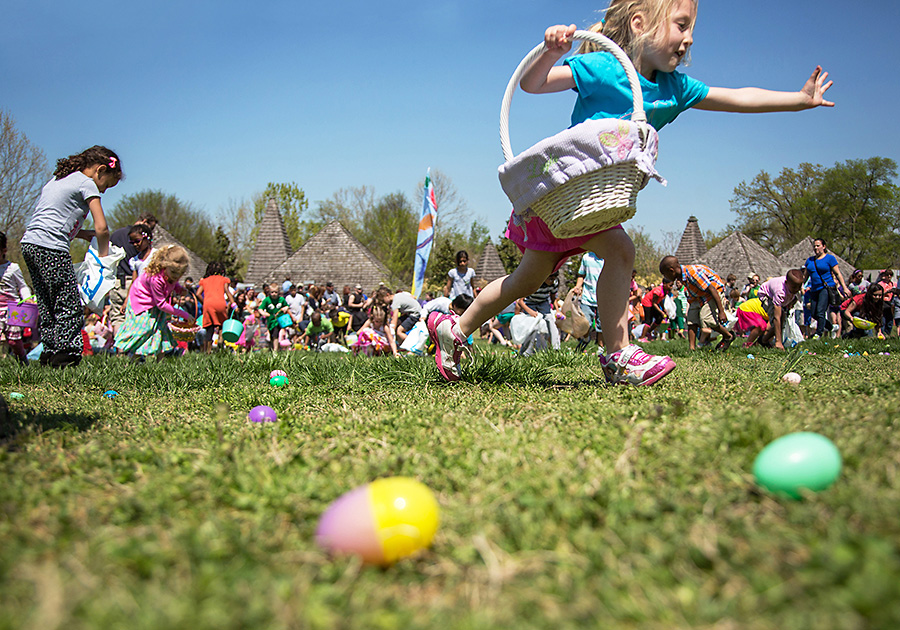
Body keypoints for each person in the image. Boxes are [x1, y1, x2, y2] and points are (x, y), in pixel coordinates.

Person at [428, 1, 833, 383]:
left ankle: (454, 328)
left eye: (692, 27)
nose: (689, 38)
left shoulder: (675, 89)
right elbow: (533, 83)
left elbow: (736, 97)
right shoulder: (604, 68)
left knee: (525, 280)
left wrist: (799, 99)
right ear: (640, 25)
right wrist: (551, 51)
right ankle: (619, 353)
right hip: (568, 196)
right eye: (681, 24)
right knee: (617, 253)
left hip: (596, 204)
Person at [20, 145, 122, 368]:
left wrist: (84, 235)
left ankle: (49, 352)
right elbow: (102, 228)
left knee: (47, 302)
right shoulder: (86, 183)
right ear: (100, 170)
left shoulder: (59, 179)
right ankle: (65, 357)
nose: (103, 191)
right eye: (106, 185)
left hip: (30, 244)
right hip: (52, 247)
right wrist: (103, 260)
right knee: (69, 303)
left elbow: (55, 218)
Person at [114, 245, 195, 359]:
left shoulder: (170, 275)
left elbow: (171, 283)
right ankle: (129, 356)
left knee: (160, 329)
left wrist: (178, 288)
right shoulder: (155, 279)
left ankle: (159, 362)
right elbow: (161, 304)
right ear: (164, 265)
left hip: (154, 303)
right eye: (174, 272)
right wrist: (183, 314)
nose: (176, 276)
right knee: (144, 329)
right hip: (141, 301)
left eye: (180, 274)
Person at [659, 256, 733, 351]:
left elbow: (712, 289)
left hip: (712, 294)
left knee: (706, 319)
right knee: (691, 320)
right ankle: (692, 349)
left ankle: (728, 336)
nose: (665, 278)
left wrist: (721, 311)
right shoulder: (681, 276)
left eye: (665, 275)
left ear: (671, 270)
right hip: (698, 297)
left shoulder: (692, 273)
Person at [109, 213, 156, 335]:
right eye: (150, 228)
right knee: (135, 318)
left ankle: (120, 350)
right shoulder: (142, 246)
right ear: (144, 221)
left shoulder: (116, 235)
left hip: (117, 281)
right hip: (135, 283)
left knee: (118, 317)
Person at [803, 238, 848, 338]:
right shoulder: (810, 260)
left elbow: (837, 274)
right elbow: (805, 276)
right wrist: (802, 286)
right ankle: (831, 327)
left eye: (818, 245)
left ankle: (818, 334)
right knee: (814, 313)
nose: (815, 248)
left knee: (820, 311)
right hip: (814, 289)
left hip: (826, 288)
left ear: (824, 246)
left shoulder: (829, 259)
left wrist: (844, 287)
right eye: (814, 246)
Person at [0, 231, 33, 363]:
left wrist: (27, 299)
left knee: (14, 341)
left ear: (4, 250)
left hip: (13, 309)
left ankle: (22, 358)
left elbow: (23, 286)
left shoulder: (12, 268)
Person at [756, 270, 803, 349]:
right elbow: (776, 317)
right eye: (794, 287)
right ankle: (775, 342)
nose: (796, 289)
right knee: (778, 322)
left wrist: (791, 304)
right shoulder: (780, 291)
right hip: (767, 296)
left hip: (784, 298)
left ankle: (763, 340)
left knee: (783, 322)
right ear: (787, 282)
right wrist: (778, 342)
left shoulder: (795, 285)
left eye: (799, 287)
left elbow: (796, 296)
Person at [196, 261, 236, 353]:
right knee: (222, 325)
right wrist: (233, 303)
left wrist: (204, 302)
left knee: (209, 328)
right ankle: (220, 345)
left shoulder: (204, 281)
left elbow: (198, 294)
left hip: (208, 304)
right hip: (220, 303)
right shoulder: (224, 280)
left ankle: (208, 351)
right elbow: (227, 291)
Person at [573, 252, 605, 352]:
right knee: (585, 323)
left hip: (604, 298)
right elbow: (581, 275)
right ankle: (585, 341)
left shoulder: (608, 257)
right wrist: (578, 286)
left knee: (602, 325)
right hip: (587, 297)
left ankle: (601, 349)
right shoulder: (586, 257)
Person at [257, 283, 290, 350]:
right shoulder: (267, 300)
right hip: (270, 321)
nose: (274, 294)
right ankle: (273, 348)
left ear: (279, 292)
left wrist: (285, 308)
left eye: (276, 292)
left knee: (275, 334)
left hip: (279, 321)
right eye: (272, 292)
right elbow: (260, 308)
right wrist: (264, 313)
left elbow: (286, 306)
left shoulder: (281, 299)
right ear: (269, 292)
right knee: (272, 335)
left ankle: (275, 350)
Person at [876, 270, 896, 337]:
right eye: (888, 275)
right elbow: (878, 294)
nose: (889, 276)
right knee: (883, 320)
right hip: (883, 303)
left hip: (891, 303)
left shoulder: (893, 284)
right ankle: (882, 334)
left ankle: (888, 334)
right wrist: (887, 291)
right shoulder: (880, 284)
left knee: (890, 320)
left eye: (890, 275)